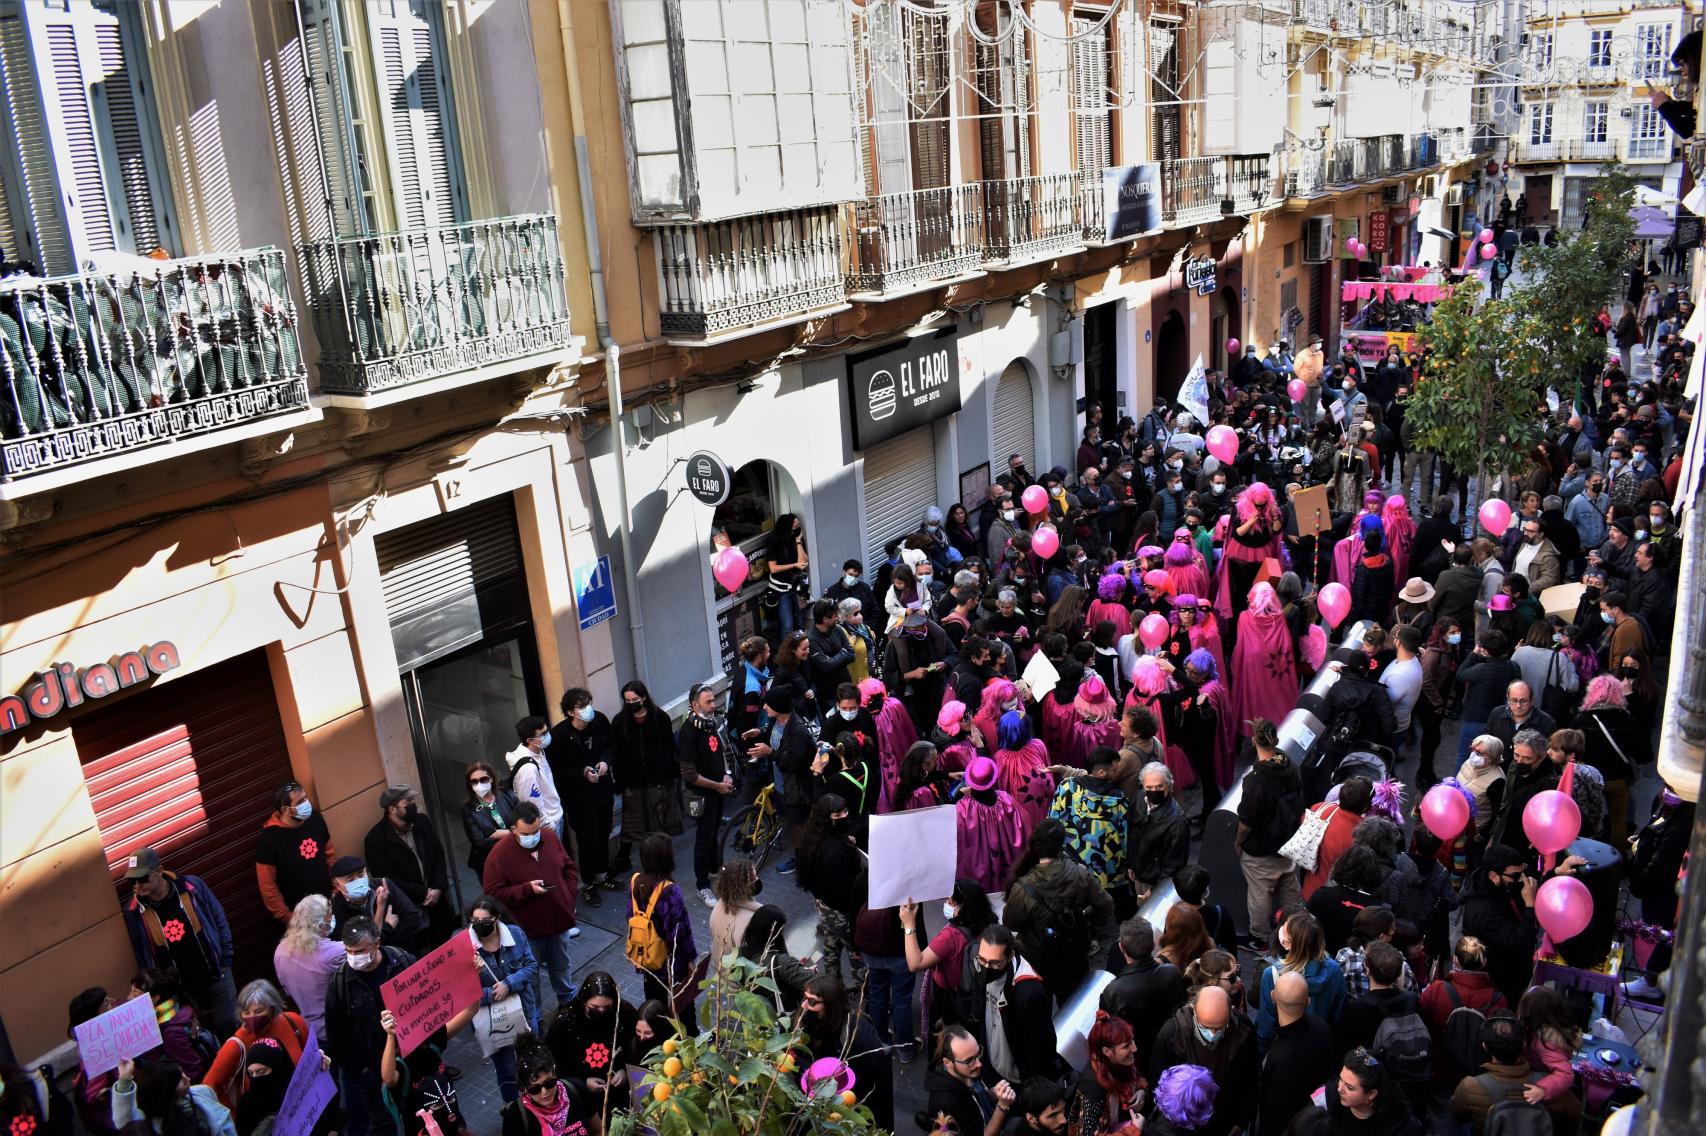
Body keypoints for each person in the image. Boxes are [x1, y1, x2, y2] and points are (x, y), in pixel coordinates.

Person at [120, 848, 237, 1037]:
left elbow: (218, 918)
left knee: (229, 1024)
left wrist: (225, 960)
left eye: (142, 878)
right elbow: (141, 953)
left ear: (159, 871)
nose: (137, 886)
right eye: (131, 881)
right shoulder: (133, 912)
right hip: (182, 992)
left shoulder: (191, 886)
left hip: (217, 974)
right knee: (200, 1035)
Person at [1002, 818, 1117, 1004]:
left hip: (1039, 960)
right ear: (1060, 846)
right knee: (1074, 1005)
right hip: (1075, 953)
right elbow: (1106, 905)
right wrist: (1086, 917)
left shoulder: (1023, 889)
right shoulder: (1080, 874)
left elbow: (1010, 923)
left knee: (1041, 1009)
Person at [481, 801, 581, 1007]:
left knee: (561, 966)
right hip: (527, 932)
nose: (533, 837)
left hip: (558, 923)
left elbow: (569, 867)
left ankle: (568, 1002)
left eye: (536, 831)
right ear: (513, 830)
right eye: (526, 834)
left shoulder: (550, 838)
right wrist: (526, 890)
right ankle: (534, 1017)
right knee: (529, 977)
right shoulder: (498, 856)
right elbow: (492, 894)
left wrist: (569, 895)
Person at [323, 918, 416, 1136]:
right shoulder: (340, 984)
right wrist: (362, 1071)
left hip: (409, 1063)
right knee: (383, 1125)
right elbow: (337, 1037)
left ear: (377, 943)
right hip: (371, 1073)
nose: (354, 957)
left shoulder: (402, 963)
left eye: (360, 951)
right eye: (349, 951)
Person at [942, 924, 1059, 1086]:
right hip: (990, 1066)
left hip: (1017, 1078)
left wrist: (1031, 1087)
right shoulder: (981, 964)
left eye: (995, 963)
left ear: (1010, 955)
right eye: (982, 960)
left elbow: (1039, 1049)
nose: (987, 968)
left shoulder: (1029, 993)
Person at [1149, 986, 1258, 1136]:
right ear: (1194, 1010)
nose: (1213, 1034)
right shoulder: (1171, 1035)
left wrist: (1241, 1120)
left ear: (1230, 1012)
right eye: (1206, 1027)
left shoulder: (1243, 1029)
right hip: (1186, 1127)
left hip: (1225, 1121)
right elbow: (1158, 1082)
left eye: (1220, 1028)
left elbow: (1250, 1076)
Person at [1447, 1014, 1580, 1136]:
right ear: (1523, 1045)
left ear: (1485, 1046)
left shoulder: (1470, 1086)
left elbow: (1457, 1114)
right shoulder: (1550, 1085)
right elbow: (1574, 1113)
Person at [1236, 719, 1306, 952]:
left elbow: (1246, 821)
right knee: (1289, 884)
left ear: (1254, 741)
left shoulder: (1256, 780)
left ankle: (1261, 938)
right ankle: (1298, 930)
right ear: (1275, 740)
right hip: (1287, 841)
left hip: (1262, 848)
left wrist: (1238, 843)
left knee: (1259, 894)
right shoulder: (1288, 763)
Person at [468, 896, 540, 1103]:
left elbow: (531, 967)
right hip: (492, 1021)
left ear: (496, 918)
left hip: (524, 1012)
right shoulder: (465, 947)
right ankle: (514, 1108)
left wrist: (509, 984)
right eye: (475, 921)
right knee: (506, 1070)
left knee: (531, 1061)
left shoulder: (515, 934)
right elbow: (463, 993)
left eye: (484, 920)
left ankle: (536, 1101)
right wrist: (491, 993)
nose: (479, 925)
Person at [796, 976, 894, 1130]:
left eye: (812, 1002)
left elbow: (875, 1076)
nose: (804, 1005)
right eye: (804, 998)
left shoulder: (857, 1034)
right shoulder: (811, 1022)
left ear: (830, 1005)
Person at [609, 681, 684, 872]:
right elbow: (616, 754)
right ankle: (623, 858)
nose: (631, 703)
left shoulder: (659, 717)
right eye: (627, 700)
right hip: (633, 782)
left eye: (634, 699)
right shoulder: (620, 722)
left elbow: (669, 748)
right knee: (632, 823)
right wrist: (619, 780)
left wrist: (669, 772)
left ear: (643, 698)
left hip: (659, 779)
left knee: (660, 821)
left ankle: (663, 860)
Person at [363, 784, 454, 941]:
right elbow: (386, 880)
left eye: (413, 800)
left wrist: (438, 887)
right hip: (411, 911)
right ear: (392, 809)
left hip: (438, 903)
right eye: (408, 802)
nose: (413, 805)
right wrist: (422, 893)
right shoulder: (375, 840)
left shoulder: (422, 822)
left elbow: (438, 854)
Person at [796, 794, 867, 990]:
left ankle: (831, 988)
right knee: (856, 954)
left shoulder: (812, 839)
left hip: (824, 906)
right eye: (839, 814)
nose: (845, 815)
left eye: (845, 811)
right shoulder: (835, 854)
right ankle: (864, 992)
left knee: (831, 945)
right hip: (842, 912)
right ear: (828, 818)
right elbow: (846, 892)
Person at [544, 972, 637, 1120]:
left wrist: (625, 1070)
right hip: (582, 1098)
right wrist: (582, 1082)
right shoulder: (565, 1023)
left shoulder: (624, 1014)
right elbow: (553, 1063)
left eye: (606, 1007)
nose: (601, 1011)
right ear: (584, 1001)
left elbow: (636, 1047)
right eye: (594, 1007)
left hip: (618, 1093)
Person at [623, 833, 698, 1016]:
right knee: (683, 1003)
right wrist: (689, 959)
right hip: (670, 961)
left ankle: (657, 1032)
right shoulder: (670, 891)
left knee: (654, 1001)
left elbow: (629, 915)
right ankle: (688, 1035)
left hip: (646, 954)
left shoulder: (635, 882)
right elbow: (680, 933)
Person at [1255, 972, 1338, 1136]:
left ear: (1273, 997)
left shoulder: (1279, 1058)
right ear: (1308, 1001)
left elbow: (1272, 1113)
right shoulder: (1321, 1026)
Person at [1099, 917, 1187, 1068]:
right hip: (1173, 1049)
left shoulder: (1113, 992)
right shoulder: (1172, 973)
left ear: (1121, 948)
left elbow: (1109, 1033)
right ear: (1153, 945)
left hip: (1138, 1059)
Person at [1458, 845, 1539, 1006]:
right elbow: (1519, 944)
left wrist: (1555, 873)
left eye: (1523, 872)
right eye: (1516, 876)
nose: (1522, 880)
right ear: (1494, 876)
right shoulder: (1484, 912)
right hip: (1502, 982)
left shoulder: (1497, 886)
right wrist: (1530, 905)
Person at [1254, 912, 1346, 1052]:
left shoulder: (1273, 974)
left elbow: (1265, 1026)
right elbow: (1337, 1015)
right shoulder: (1334, 970)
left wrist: (1261, 1055)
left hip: (1284, 1049)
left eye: (1284, 929)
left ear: (1289, 943)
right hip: (1318, 1046)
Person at [676, 683, 734, 898]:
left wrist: (726, 774)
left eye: (714, 700)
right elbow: (689, 773)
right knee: (703, 837)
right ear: (695, 705)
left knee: (714, 831)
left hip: (718, 790)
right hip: (702, 794)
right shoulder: (689, 732)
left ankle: (715, 869)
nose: (713, 705)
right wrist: (717, 785)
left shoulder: (713, 723)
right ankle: (703, 885)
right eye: (708, 702)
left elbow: (722, 753)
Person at [1571, 674, 1642, 848]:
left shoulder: (1582, 720)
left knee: (1590, 820)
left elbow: (1571, 747)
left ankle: (1591, 858)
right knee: (1618, 820)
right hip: (1617, 779)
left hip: (1589, 779)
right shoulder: (1627, 719)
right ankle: (1617, 863)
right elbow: (1643, 753)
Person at [255, 780, 339, 924]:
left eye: (306, 798)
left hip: (330, 904)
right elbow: (268, 887)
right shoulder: (268, 841)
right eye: (300, 802)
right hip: (301, 918)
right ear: (285, 810)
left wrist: (336, 891)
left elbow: (330, 856)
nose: (307, 804)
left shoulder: (315, 819)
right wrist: (288, 918)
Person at [498, 1035, 602, 1136]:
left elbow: (598, 1131)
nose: (544, 1092)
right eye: (535, 1089)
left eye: (549, 1083)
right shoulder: (516, 1116)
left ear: (554, 1073)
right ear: (524, 1088)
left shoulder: (577, 1089)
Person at [273, 894, 345, 1038]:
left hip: (310, 1032)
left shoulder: (280, 951)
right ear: (320, 923)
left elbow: (287, 991)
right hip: (341, 1029)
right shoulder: (335, 952)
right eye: (329, 914)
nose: (332, 916)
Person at [925, 1025, 1015, 1136]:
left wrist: (993, 1093)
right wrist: (1002, 1107)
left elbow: (979, 1097)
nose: (979, 1064)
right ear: (948, 1063)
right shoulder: (946, 1105)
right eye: (969, 1060)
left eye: (978, 1054)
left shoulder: (966, 1070)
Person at [957, 756, 1028, 894]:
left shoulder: (962, 809)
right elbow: (1025, 829)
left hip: (980, 880)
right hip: (1011, 874)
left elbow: (958, 846)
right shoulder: (1007, 800)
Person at [110, 1059, 236, 1136]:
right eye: (180, 1080)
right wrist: (124, 1080)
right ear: (166, 1090)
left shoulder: (203, 1092)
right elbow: (126, 1121)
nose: (188, 1079)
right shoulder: (149, 1124)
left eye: (184, 1073)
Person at [1068, 1012, 1146, 1136]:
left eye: (1132, 1040)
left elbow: (1136, 1075)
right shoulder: (1092, 1090)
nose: (1134, 1048)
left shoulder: (1118, 1061)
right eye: (1126, 1046)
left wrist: (1141, 1090)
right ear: (1107, 1051)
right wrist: (1134, 1130)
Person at [329, 855, 428, 952]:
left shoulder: (384, 885)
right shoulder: (336, 906)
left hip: (403, 952)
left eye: (361, 875)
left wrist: (380, 942)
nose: (358, 881)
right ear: (337, 885)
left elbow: (413, 917)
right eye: (351, 880)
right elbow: (347, 943)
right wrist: (388, 929)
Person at [1488, 730, 1561, 860]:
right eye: (1516, 755)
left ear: (1542, 757)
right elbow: (1505, 803)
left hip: (1525, 845)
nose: (1520, 761)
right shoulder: (1513, 766)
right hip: (1503, 835)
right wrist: (1494, 837)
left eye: (1527, 758)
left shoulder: (1550, 784)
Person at [1300, 777, 1372, 900]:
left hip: (1309, 890)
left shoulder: (1319, 808)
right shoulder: (1361, 837)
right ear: (1365, 807)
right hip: (1335, 901)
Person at [1305, 845, 1384, 954]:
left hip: (1318, 957)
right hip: (1356, 966)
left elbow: (1304, 926)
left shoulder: (1322, 895)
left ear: (1341, 866)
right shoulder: (1378, 910)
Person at [1327, 1046, 1420, 1136]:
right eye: (1340, 1079)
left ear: (1371, 1094)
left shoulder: (1399, 1125)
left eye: (1349, 1087)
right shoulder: (1330, 1098)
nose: (1339, 1089)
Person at [463, 761, 522, 879]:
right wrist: (514, 834)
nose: (479, 784)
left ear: (491, 779)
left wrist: (504, 834)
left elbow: (523, 821)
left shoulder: (507, 795)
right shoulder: (469, 810)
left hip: (517, 856)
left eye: (483, 779)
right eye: (474, 781)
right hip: (490, 864)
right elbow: (480, 842)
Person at [707, 857, 762, 976]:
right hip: (737, 981)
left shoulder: (719, 905)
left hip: (721, 972)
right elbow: (751, 959)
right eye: (754, 878)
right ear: (744, 887)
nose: (758, 879)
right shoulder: (748, 920)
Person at [1174, 865, 1239, 954]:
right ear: (1205, 891)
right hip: (1209, 965)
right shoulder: (1220, 914)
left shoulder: (1173, 916)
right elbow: (1231, 949)